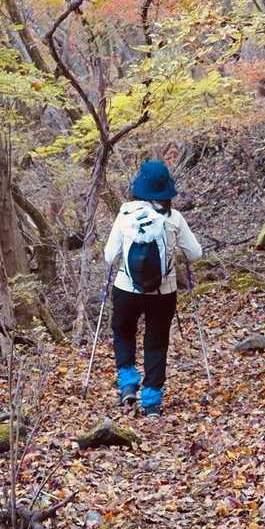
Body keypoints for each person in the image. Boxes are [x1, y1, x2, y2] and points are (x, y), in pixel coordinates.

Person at [101, 159, 202, 416]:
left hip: (126, 289)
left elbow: (110, 256)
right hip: (163, 292)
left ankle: (127, 384)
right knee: (156, 342)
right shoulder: (174, 218)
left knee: (123, 332)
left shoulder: (125, 215)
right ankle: (152, 402)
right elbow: (195, 254)